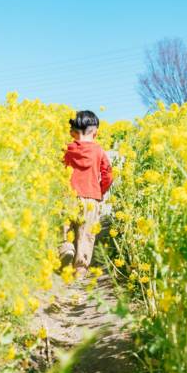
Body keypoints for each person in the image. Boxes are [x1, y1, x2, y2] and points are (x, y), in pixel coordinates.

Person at [60, 110, 113, 277]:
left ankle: (66, 248)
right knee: (86, 233)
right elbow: (108, 174)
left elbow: (58, 170)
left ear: (73, 132)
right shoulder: (98, 151)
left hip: (69, 196)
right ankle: (81, 267)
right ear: (95, 132)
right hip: (91, 199)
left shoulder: (67, 149)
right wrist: (101, 190)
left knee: (65, 226)